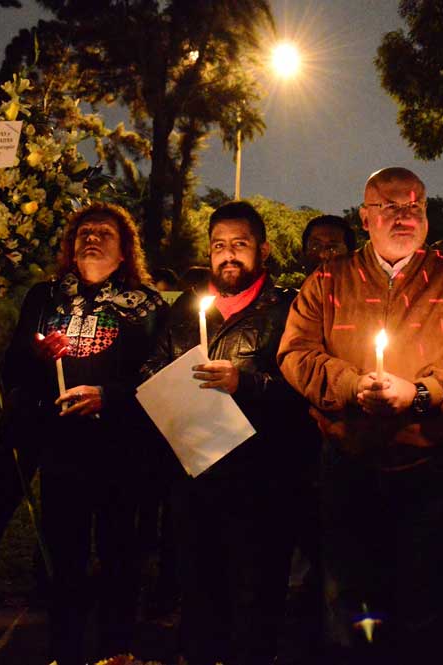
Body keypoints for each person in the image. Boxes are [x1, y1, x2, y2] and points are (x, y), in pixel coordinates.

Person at [278, 167, 443, 664]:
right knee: (348, 596)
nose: (404, 216)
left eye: (414, 206)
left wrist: (421, 394)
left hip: (430, 470)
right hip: (347, 464)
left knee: (423, 598)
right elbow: (296, 354)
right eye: (390, 206)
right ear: (365, 216)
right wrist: (352, 386)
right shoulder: (328, 281)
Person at [143, 200, 311, 665]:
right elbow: (153, 366)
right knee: (198, 593)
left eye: (240, 244)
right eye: (219, 246)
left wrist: (246, 383)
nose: (228, 255)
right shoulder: (185, 308)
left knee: (254, 599)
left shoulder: (288, 310)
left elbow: (303, 390)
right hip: (195, 476)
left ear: (263, 249)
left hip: (261, 483)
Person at [2, 202, 166, 665]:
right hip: (61, 448)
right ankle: (65, 650)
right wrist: (38, 356)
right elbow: (14, 365)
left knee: (120, 554)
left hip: (121, 448)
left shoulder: (146, 304)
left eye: (104, 233)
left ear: (124, 252)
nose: (91, 238)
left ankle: (116, 650)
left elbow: (157, 374)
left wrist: (108, 396)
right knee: (63, 557)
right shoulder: (45, 297)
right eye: (84, 232)